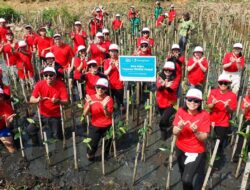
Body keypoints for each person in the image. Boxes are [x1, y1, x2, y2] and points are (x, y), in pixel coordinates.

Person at [173, 88, 210, 190]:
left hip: (195, 150)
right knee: (182, 173)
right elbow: (174, 132)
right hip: (180, 147)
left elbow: (204, 137)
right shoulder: (180, 111)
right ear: (185, 100)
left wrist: (196, 132)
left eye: (196, 101)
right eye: (190, 99)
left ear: (200, 102)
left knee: (187, 179)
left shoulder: (204, 115)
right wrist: (179, 127)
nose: (192, 103)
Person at [27, 66, 68, 145]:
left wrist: (58, 101)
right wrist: (37, 100)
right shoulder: (39, 84)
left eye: (51, 75)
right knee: (30, 130)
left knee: (57, 137)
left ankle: (58, 151)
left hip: (55, 115)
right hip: (41, 113)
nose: (48, 77)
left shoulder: (61, 85)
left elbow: (66, 102)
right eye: (46, 75)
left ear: (55, 76)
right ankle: (37, 146)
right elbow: (31, 99)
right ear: (43, 76)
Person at [207, 74, 237, 168]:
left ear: (228, 84)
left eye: (225, 83)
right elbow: (209, 106)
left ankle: (216, 161)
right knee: (207, 140)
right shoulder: (213, 92)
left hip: (223, 121)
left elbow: (232, 110)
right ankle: (207, 157)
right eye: (221, 82)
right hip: (211, 119)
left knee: (219, 142)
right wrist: (212, 103)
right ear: (218, 83)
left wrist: (227, 106)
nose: (223, 84)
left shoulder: (232, 95)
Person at [83, 78, 114, 161]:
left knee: (106, 149)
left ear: (106, 89)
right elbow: (84, 114)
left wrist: (104, 107)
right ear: (95, 87)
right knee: (91, 150)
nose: (100, 89)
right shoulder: (91, 98)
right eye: (98, 87)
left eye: (103, 88)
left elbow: (108, 115)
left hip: (107, 126)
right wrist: (89, 105)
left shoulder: (109, 99)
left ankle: (104, 159)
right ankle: (91, 157)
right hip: (95, 125)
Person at [156, 61, 180, 140]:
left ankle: (163, 137)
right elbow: (159, 88)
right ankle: (168, 126)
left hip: (171, 103)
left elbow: (172, 89)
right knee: (164, 119)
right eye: (166, 70)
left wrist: (164, 85)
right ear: (163, 70)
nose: (168, 72)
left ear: (173, 71)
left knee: (162, 121)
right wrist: (165, 85)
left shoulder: (176, 78)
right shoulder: (159, 77)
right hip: (160, 103)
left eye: (170, 70)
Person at [104, 44, 124, 111]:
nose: (113, 53)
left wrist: (118, 67)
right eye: (111, 51)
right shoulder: (107, 61)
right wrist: (110, 67)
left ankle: (122, 116)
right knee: (110, 103)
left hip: (119, 85)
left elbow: (124, 74)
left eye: (115, 51)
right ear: (109, 52)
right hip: (110, 85)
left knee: (120, 103)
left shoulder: (121, 61)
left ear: (117, 52)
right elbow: (105, 73)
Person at [233, 86, 250, 162]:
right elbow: (244, 113)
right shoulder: (247, 98)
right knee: (242, 136)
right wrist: (246, 108)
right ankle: (237, 155)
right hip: (248, 120)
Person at [0, 88, 16, 153]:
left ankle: (15, 157)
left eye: (0, 96)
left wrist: (8, 123)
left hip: (2, 129)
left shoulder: (7, 107)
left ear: (3, 97)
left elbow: (7, 126)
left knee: (9, 143)